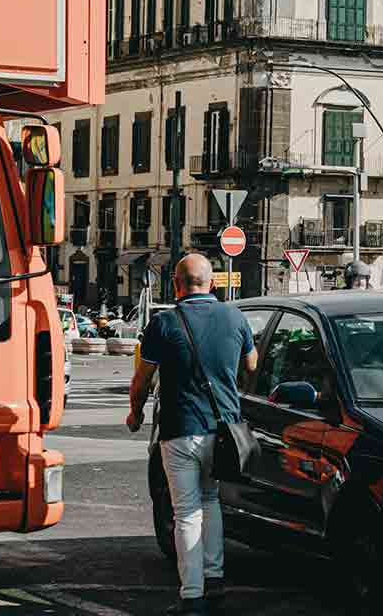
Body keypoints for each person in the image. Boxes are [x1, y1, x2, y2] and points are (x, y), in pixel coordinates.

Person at [127, 254, 258, 615]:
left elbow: (141, 380)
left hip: (180, 429)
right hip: (223, 431)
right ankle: (215, 579)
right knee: (211, 499)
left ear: (176, 285)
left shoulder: (164, 323)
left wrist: (135, 412)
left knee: (186, 510)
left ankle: (193, 594)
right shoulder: (234, 316)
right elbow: (252, 364)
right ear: (212, 283)